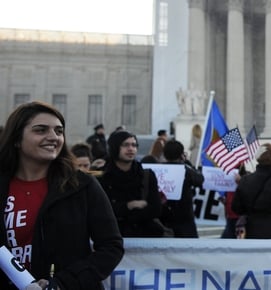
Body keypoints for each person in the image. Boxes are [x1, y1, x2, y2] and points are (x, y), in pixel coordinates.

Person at [0, 101, 123, 289]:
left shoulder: (82, 185)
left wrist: (61, 283)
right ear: (16, 139)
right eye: (40, 130)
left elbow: (111, 247)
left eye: (59, 131)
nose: (53, 137)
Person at [99, 130, 165, 237]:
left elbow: (155, 209)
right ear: (115, 147)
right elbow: (102, 210)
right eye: (125, 145)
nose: (131, 149)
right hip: (113, 235)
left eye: (134, 145)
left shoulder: (146, 175)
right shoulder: (103, 176)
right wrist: (129, 206)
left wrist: (126, 214)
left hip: (145, 235)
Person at [160, 140, 204, 238]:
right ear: (181, 155)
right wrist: (187, 162)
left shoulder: (158, 170)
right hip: (184, 217)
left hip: (163, 216)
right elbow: (200, 180)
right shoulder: (186, 170)